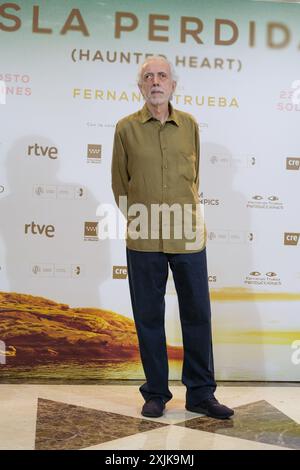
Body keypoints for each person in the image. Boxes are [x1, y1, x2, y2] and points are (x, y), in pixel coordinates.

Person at [111, 56, 234, 420]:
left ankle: (200, 393)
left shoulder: (190, 125)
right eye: (148, 76)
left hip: (188, 237)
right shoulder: (124, 128)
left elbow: (193, 181)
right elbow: (120, 183)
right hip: (144, 237)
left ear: (173, 84)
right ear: (140, 87)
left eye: (162, 75)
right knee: (149, 316)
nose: (155, 81)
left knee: (197, 315)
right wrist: (139, 221)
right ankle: (155, 393)